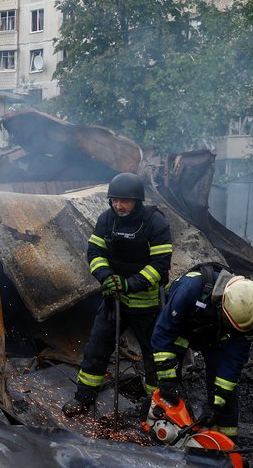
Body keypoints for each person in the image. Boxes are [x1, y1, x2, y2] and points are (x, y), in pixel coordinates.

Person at [61, 173, 174, 417]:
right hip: (114, 302)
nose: (118, 206)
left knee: (154, 358)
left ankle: (156, 408)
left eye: (124, 201)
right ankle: (83, 398)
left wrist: (130, 284)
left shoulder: (155, 222)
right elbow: (94, 253)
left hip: (148, 306)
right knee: (96, 349)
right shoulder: (106, 220)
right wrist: (106, 277)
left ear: (137, 201)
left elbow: (161, 265)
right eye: (114, 200)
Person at [150, 265, 253, 441]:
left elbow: (233, 362)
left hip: (215, 339)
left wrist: (216, 405)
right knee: (167, 381)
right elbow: (163, 334)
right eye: (230, 324)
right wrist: (167, 380)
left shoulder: (247, 320)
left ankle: (226, 447)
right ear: (222, 305)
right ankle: (160, 430)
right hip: (181, 330)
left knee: (226, 395)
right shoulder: (190, 289)